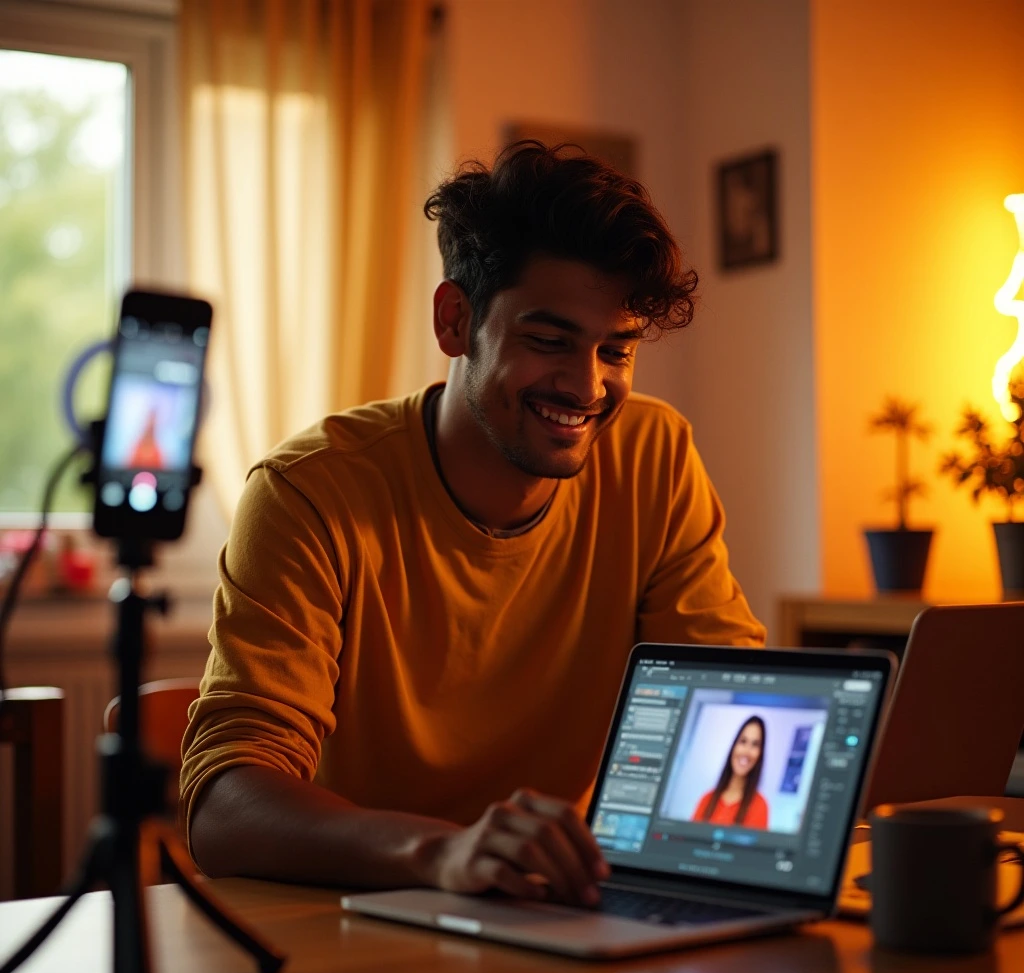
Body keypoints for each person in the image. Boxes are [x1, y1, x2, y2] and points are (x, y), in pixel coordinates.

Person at [181, 141, 766, 909]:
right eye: (549, 341)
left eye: (616, 350)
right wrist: (443, 854)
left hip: (565, 909)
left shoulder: (654, 456)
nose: (587, 386)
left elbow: (721, 701)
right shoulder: (309, 493)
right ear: (456, 320)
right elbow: (223, 811)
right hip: (360, 924)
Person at [693, 716, 769, 829]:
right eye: (743, 741)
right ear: (734, 746)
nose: (746, 751)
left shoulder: (760, 806)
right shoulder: (706, 799)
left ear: (760, 754)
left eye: (755, 745)